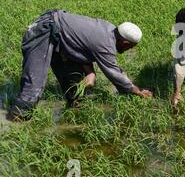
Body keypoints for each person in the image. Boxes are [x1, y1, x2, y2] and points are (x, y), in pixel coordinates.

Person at [8, 9, 152, 121]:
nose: (130, 50)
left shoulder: (109, 30)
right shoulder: (106, 44)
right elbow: (115, 74)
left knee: (74, 83)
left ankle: (73, 112)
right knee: (34, 86)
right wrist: (137, 91)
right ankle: (16, 122)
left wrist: (90, 72)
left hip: (60, 37)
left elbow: (82, 46)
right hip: (43, 31)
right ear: (124, 42)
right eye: (131, 47)